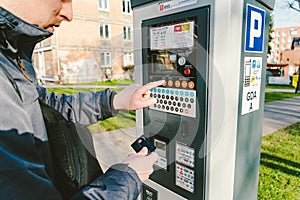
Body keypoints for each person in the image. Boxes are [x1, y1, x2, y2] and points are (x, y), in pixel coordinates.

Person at [0, 1, 165, 199]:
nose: (69, 14)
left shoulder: (10, 57)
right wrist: (127, 177)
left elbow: (48, 107)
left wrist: (115, 101)